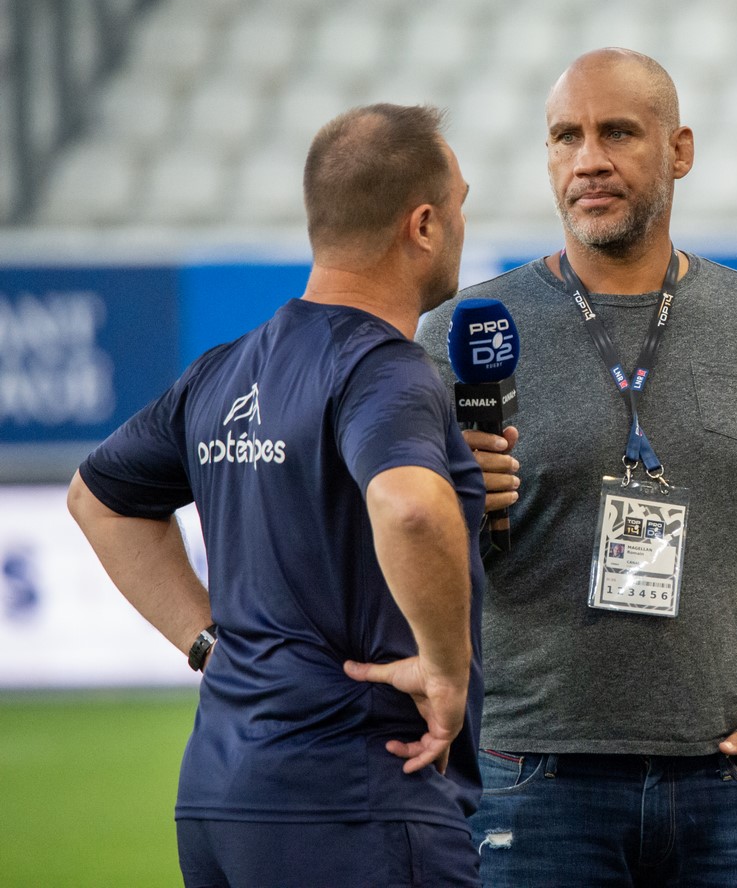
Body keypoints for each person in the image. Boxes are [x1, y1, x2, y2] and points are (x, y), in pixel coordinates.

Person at [417, 47, 737, 886]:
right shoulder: (462, 333)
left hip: (735, 783)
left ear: (679, 151)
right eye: (566, 137)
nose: (588, 159)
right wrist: (455, 506)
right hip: (532, 781)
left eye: (617, 133)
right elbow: (405, 551)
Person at [67, 104, 486, 888]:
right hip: (356, 797)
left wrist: (207, 645)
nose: (464, 223)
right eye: (460, 204)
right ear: (424, 225)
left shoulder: (223, 369)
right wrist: (444, 670)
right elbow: (409, 508)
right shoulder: (385, 369)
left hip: (218, 796)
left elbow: (97, 499)